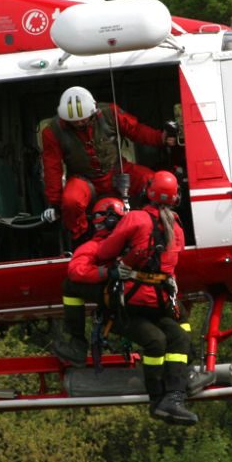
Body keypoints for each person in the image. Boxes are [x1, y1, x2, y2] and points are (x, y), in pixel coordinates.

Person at [91, 170, 198, 426]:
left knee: (171, 339)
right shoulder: (177, 228)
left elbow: (104, 251)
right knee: (164, 340)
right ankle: (162, 398)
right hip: (148, 305)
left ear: (148, 191)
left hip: (131, 304)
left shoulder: (135, 219)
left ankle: (171, 398)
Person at [41, 86, 174, 244]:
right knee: (70, 201)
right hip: (84, 180)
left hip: (116, 171)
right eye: (74, 122)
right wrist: (55, 204)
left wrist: (160, 138)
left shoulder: (110, 113)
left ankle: (158, 228)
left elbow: (136, 130)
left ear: (93, 111)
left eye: (83, 119)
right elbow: (52, 168)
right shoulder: (52, 132)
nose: (79, 123)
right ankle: (82, 239)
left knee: (152, 182)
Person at [51, 196, 128, 367]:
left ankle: (77, 344)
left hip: (122, 299)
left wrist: (105, 273)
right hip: (148, 295)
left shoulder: (95, 246)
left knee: (69, 286)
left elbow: (76, 271)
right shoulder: (140, 237)